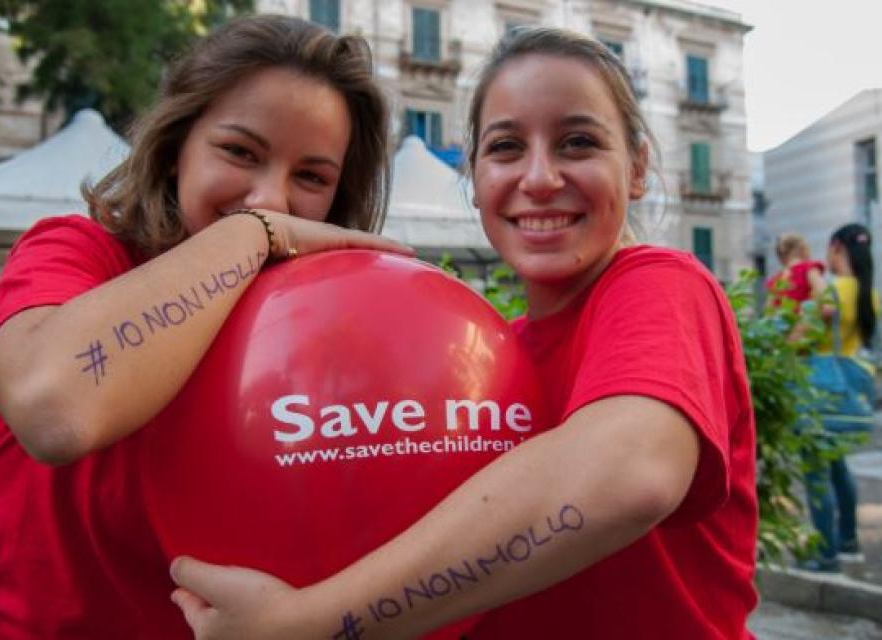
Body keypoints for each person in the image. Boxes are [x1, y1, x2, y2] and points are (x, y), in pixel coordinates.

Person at [170, 27, 758, 639]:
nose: (538, 178)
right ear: (473, 178)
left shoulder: (660, 284)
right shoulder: (494, 349)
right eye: (505, 148)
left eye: (577, 142)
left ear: (636, 168)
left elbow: (630, 473)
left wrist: (309, 626)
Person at [0, 15, 409, 639]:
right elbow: (54, 409)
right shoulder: (73, 253)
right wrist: (255, 234)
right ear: (177, 145)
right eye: (240, 152)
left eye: (312, 177)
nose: (271, 197)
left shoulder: (321, 326)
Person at [803, 222, 878, 572]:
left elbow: (799, 335)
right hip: (851, 395)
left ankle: (827, 554)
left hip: (820, 392)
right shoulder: (871, 296)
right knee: (837, 465)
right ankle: (848, 540)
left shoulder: (830, 292)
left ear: (835, 249)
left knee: (816, 472)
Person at [767, 232, 826, 309]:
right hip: (805, 320)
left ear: (780, 258)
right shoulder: (809, 270)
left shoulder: (775, 281)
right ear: (804, 249)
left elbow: (769, 311)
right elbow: (826, 300)